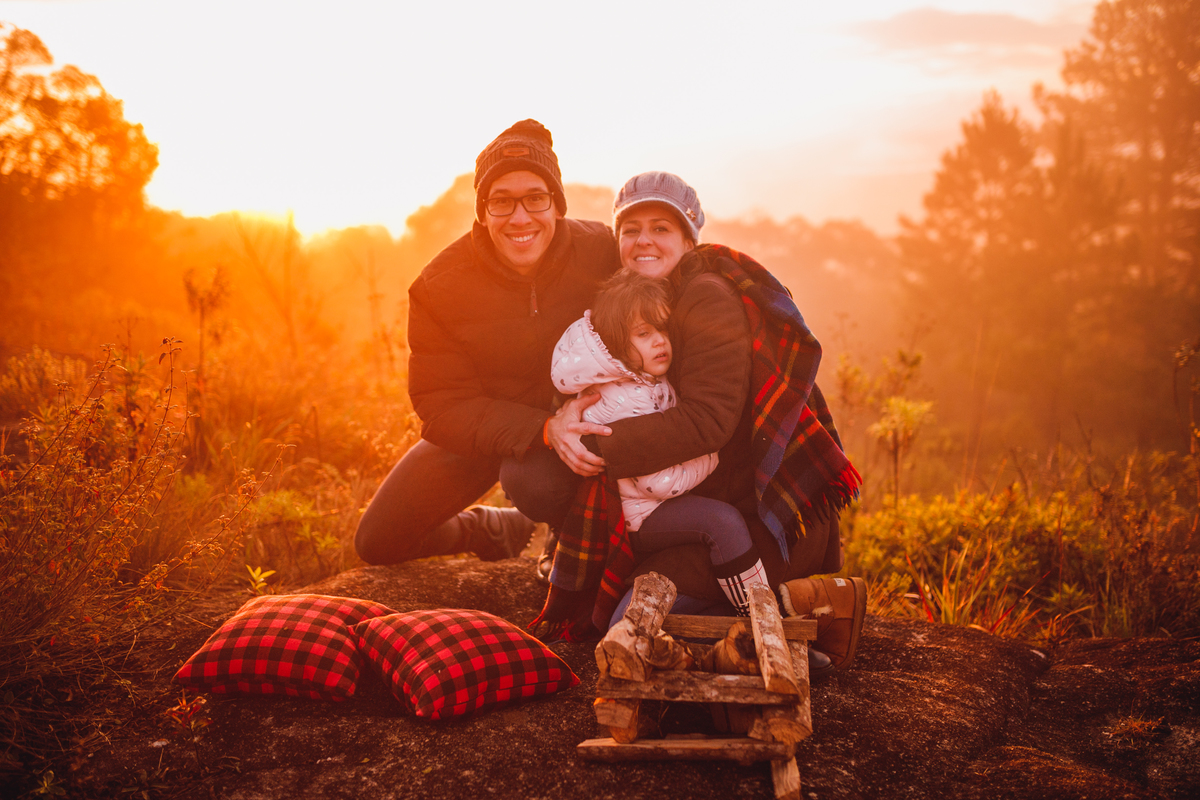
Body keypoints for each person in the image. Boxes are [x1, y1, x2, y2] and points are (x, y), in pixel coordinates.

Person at [514, 171, 865, 673]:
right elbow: (604, 375)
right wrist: (564, 418)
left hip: (759, 520)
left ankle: (801, 620)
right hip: (700, 507)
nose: (644, 240)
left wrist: (595, 444)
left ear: (688, 238)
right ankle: (783, 616)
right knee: (621, 614)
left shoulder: (707, 298)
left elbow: (708, 422)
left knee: (628, 622)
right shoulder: (643, 302)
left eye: (661, 228)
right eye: (631, 230)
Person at [352, 119, 619, 567]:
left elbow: (669, 279)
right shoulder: (439, 286)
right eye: (501, 201)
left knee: (534, 483)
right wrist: (543, 429)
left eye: (535, 197)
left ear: (557, 204)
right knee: (378, 541)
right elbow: (441, 406)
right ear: (481, 211)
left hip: (590, 420)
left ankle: (566, 536)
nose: (520, 217)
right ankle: (491, 529)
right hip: (487, 426)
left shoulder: (602, 251)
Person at [550, 271, 770, 615]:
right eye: (643, 334)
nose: (659, 341)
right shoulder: (621, 398)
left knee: (722, 525)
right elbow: (654, 482)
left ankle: (746, 610)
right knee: (722, 522)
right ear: (616, 342)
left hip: (654, 501)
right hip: (643, 514)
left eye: (662, 329)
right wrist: (712, 459)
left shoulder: (640, 379)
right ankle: (759, 613)